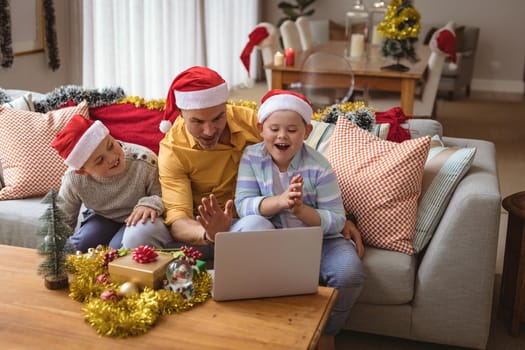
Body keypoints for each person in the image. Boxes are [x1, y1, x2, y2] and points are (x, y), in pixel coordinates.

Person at [234, 89, 366, 350]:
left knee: (349, 272)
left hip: (320, 239)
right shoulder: (251, 157)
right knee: (251, 225)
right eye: (274, 128)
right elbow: (243, 205)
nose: (282, 136)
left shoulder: (319, 165)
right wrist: (280, 201)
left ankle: (328, 330)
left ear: (306, 132)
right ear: (261, 129)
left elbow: (337, 219)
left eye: (292, 130)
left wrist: (300, 211)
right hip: (273, 238)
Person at [158, 66, 275, 247]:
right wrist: (208, 233)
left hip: (248, 222)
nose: (209, 131)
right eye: (197, 121)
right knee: (139, 233)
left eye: (218, 118)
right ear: (181, 114)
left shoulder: (251, 121)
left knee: (257, 225)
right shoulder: (172, 149)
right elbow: (178, 219)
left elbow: (291, 154)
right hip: (200, 232)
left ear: (225, 106)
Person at [51, 115, 173, 252]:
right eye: (99, 160)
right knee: (78, 245)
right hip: (103, 217)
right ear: (83, 171)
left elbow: (167, 195)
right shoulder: (73, 179)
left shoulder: (144, 161)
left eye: (110, 145)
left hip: (139, 218)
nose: (112, 158)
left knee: (115, 250)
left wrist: (151, 204)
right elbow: (62, 219)